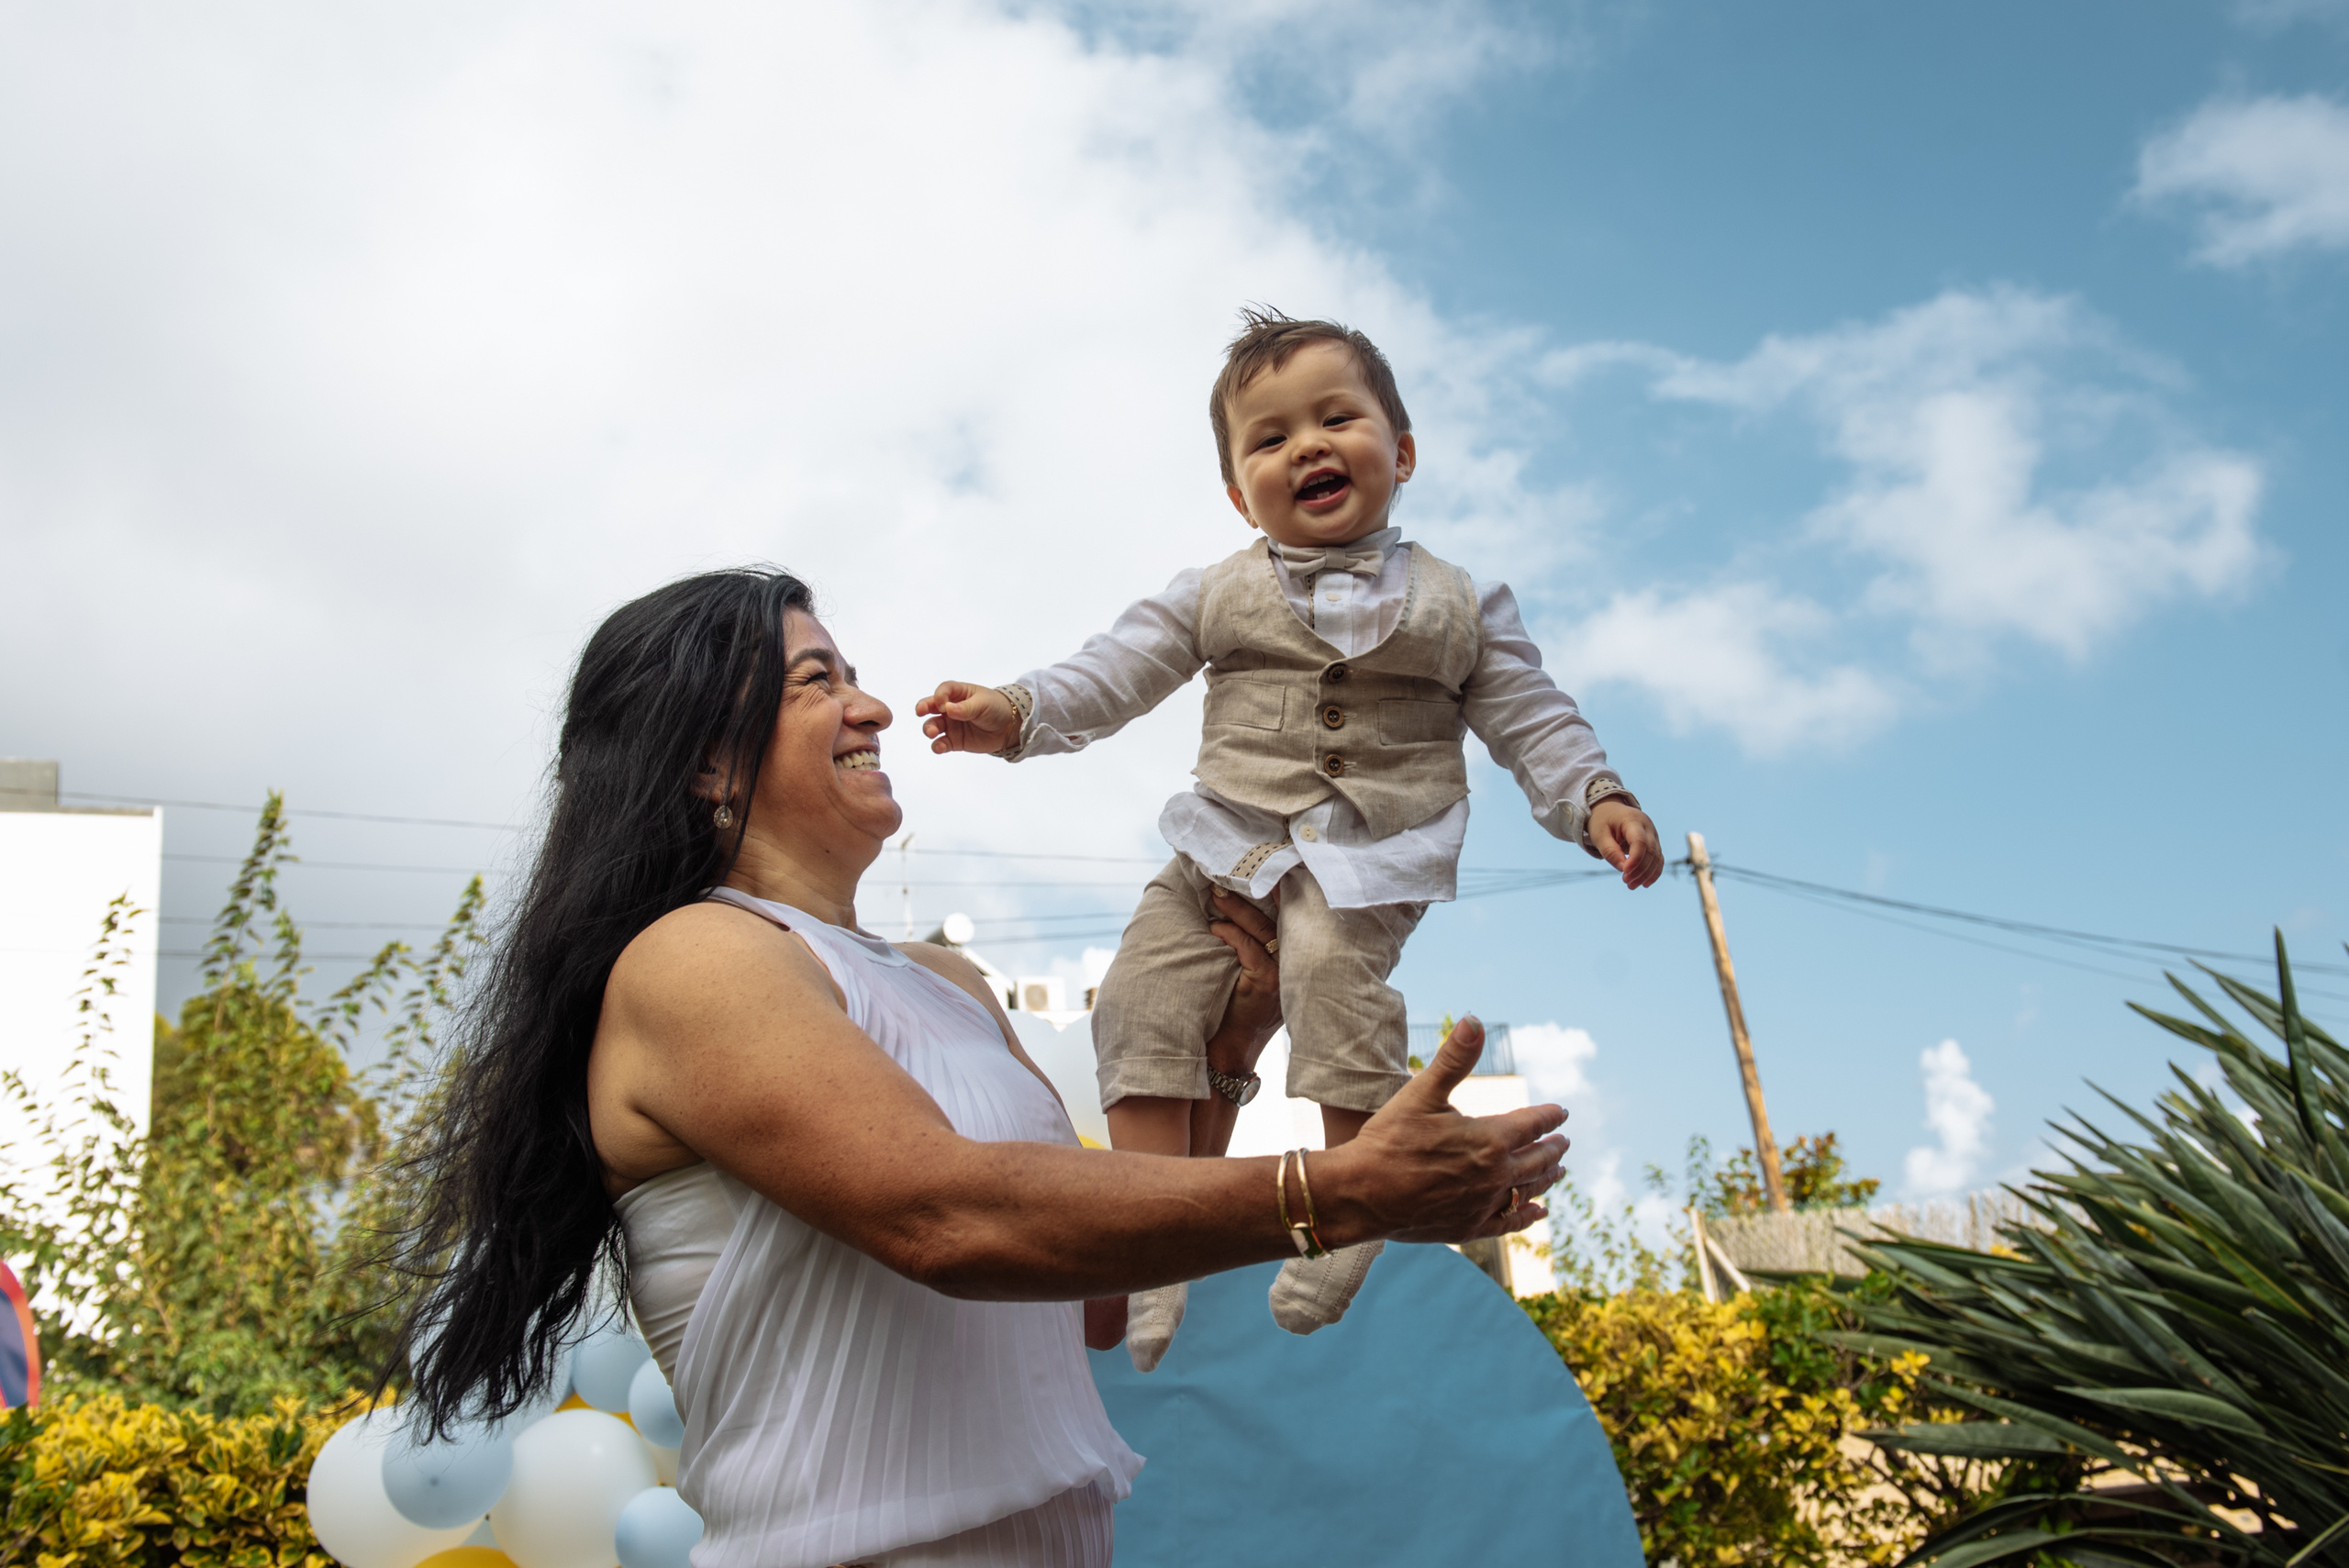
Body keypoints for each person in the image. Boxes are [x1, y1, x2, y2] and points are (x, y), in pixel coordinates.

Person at [395, 567, 1569, 1568]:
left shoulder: (945, 982)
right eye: (818, 681)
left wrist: (1221, 1058)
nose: (869, 707)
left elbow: (1097, 1303)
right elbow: (947, 1214)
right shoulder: (695, 958)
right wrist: (1348, 1188)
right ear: (708, 762)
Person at [917, 309, 1665, 1372]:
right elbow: (1112, 668)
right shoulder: (1213, 590)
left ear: (1401, 452)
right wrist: (1016, 708)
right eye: (1268, 439)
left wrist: (1593, 795)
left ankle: (1348, 1204)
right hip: (1223, 842)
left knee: (1327, 972)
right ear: (1237, 491)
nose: (1306, 446)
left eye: (1336, 419)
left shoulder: (1464, 603)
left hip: (1367, 853)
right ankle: (1155, 1227)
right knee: (1140, 988)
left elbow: (1530, 712)